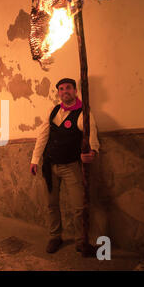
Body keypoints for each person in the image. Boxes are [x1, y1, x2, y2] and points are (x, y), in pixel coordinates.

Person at [30, 78, 100, 257]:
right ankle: (55, 237)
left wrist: (93, 150)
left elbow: (90, 132)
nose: (64, 91)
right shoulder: (53, 110)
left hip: (71, 166)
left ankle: (81, 242)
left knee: (79, 207)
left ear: (75, 91)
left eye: (68, 88)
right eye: (61, 89)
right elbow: (43, 135)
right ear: (59, 93)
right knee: (51, 204)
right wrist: (35, 159)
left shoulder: (83, 112)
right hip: (49, 166)